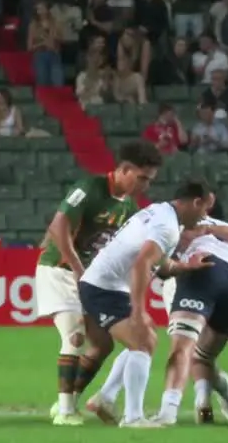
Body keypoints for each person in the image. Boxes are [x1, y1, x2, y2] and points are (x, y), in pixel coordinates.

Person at [35, 141, 164, 426]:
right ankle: (66, 412)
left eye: (150, 180)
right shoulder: (90, 187)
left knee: (103, 344)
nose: (145, 185)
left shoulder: (129, 206)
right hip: (59, 270)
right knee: (75, 336)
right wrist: (79, 269)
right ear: (125, 169)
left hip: (89, 279)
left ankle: (66, 400)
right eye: (142, 178)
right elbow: (58, 227)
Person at [79, 179, 217, 428]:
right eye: (206, 209)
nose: (205, 216)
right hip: (103, 287)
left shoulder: (161, 212)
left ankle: (106, 398)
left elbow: (159, 264)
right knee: (144, 341)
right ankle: (132, 418)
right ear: (196, 202)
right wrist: (139, 311)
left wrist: (187, 267)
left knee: (142, 340)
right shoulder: (168, 227)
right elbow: (143, 263)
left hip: (108, 284)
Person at [155, 214, 228, 425]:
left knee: (200, 351)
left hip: (222, 282)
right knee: (196, 350)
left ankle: (224, 397)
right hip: (196, 282)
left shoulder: (222, 228)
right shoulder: (173, 226)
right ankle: (204, 400)